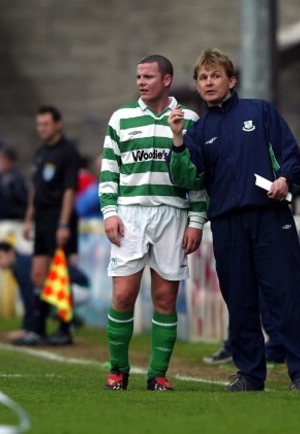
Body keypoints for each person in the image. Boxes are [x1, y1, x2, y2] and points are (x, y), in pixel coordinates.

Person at [167, 48, 300, 392]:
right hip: (227, 225)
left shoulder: (259, 111)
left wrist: (285, 180)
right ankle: (250, 374)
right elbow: (187, 179)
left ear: (231, 81)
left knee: (286, 295)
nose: (208, 82)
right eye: (203, 78)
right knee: (240, 299)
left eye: (215, 76)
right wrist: (176, 139)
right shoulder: (198, 131)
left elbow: (291, 155)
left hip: (269, 216)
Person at [100, 54, 207, 392]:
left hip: (173, 214)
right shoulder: (121, 118)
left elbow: (199, 177)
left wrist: (196, 221)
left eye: (148, 76)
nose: (141, 82)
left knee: (164, 299)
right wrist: (109, 213)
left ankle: (157, 374)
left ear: (167, 80)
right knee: (123, 296)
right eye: (138, 77)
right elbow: (109, 172)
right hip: (130, 215)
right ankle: (118, 371)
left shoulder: (189, 118)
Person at [22, 105, 81, 346]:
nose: (42, 129)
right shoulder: (40, 152)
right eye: (39, 125)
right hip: (42, 219)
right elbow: (35, 189)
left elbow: (69, 190)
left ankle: (65, 329)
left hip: (60, 217)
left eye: (46, 124)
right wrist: (28, 219)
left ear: (58, 124)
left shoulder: (68, 152)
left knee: (59, 275)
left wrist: (64, 223)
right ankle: (38, 329)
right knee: (38, 273)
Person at [0, 240, 90, 345]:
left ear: (11, 252)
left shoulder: (21, 265)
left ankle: (68, 324)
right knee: (42, 301)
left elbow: (30, 299)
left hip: (77, 287)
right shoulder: (21, 263)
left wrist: (27, 330)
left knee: (42, 302)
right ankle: (71, 322)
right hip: (76, 287)